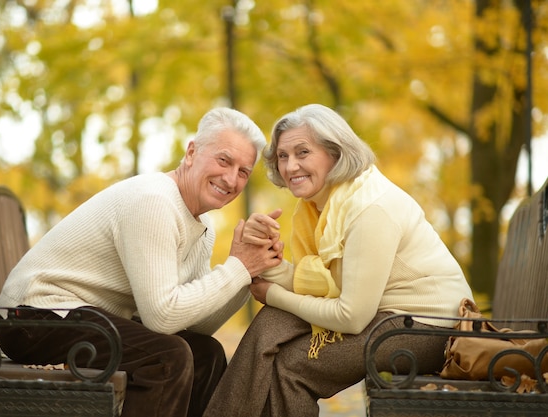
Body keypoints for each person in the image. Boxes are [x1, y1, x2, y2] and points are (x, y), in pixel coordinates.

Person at [0, 107, 284, 417]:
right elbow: (163, 318)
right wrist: (238, 268)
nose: (231, 178)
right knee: (167, 357)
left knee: (206, 353)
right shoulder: (154, 201)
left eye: (243, 171)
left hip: (83, 318)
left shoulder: (203, 226)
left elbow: (197, 325)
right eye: (224, 160)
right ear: (191, 153)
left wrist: (246, 275)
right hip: (34, 317)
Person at [202, 104, 474, 417]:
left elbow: (351, 316)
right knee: (273, 321)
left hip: (434, 331)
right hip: (392, 318)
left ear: (335, 152)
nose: (290, 167)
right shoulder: (325, 206)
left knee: (293, 366)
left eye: (303, 153)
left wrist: (273, 294)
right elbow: (327, 286)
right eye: (283, 155)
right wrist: (263, 255)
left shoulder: (370, 210)